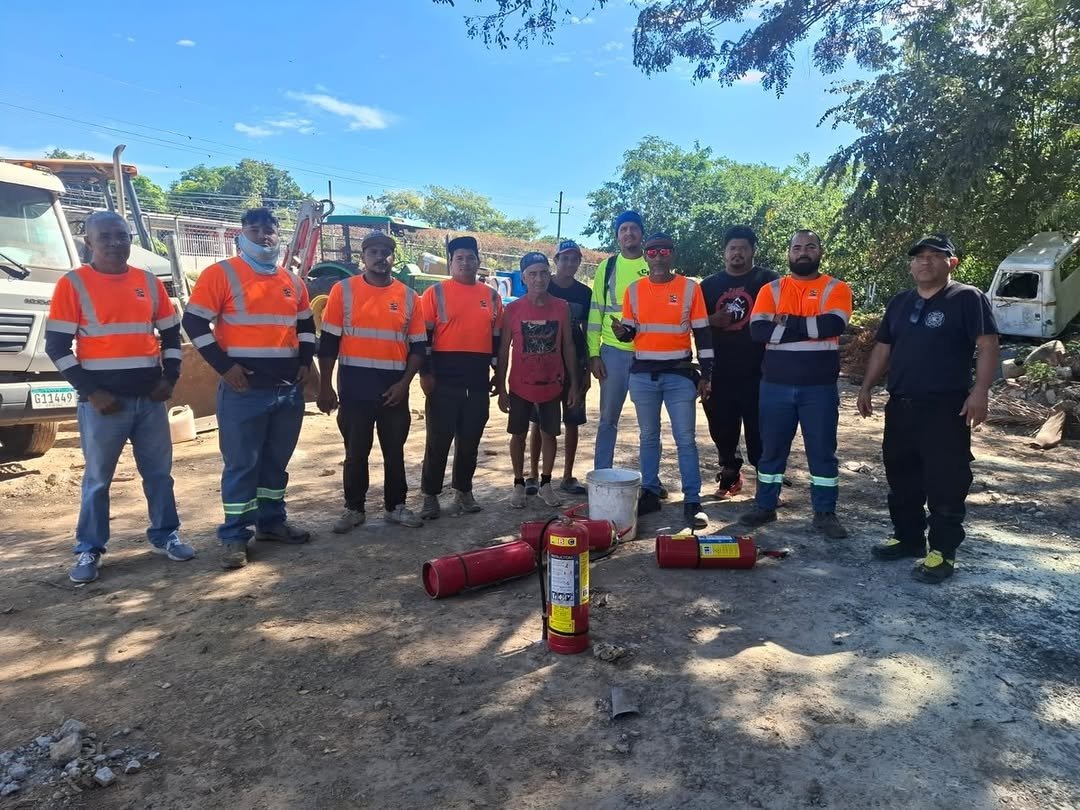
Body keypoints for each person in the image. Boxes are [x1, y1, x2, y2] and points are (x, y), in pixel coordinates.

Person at [45, 211, 194, 583]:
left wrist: (170, 377)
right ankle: (89, 549)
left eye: (121, 236)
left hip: (149, 400)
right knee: (97, 480)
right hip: (103, 404)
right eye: (106, 237)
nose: (115, 243)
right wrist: (91, 392)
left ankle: (166, 535)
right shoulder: (73, 284)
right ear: (89, 242)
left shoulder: (148, 282)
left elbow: (171, 337)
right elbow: (57, 346)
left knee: (159, 475)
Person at [857, 234, 999, 583]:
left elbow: (988, 345)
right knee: (901, 474)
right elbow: (883, 348)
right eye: (919, 257)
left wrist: (980, 392)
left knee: (945, 479)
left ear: (952, 263)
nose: (925, 262)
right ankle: (908, 538)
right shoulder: (900, 303)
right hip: (901, 405)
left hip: (945, 407)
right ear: (911, 265)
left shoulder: (967, 298)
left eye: (935, 256)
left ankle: (943, 551)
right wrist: (866, 385)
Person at [182, 207, 316, 569]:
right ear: (241, 235)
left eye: (270, 230)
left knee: (275, 464)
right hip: (244, 392)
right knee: (242, 465)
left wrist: (305, 363)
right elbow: (193, 322)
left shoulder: (292, 281)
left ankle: (272, 524)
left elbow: (305, 327)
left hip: (286, 391)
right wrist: (225, 368)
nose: (263, 236)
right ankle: (234, 536)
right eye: (255, 230)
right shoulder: (221, 275)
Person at [739, 230, 853, 539]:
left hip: (819, 387)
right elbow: (759, 332)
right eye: (797, 247)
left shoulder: (836, 288)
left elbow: (834, 324)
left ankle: (825, 513)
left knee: (823, 452)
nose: (803, 252)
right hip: (775, 385)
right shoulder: (771, 289)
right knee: (771, 451)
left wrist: (786, 321)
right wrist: (810, 327)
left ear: (820, 252)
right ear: (788, 252)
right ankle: (765, 505)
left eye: (810, 247)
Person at [316, 231, 427, 532]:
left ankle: (396, 506)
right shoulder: (343, 291)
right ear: (363, 257)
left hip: (394, 390)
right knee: (355, 452)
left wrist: (404, 384)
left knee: (395, 452)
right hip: (354, 389)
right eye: (374, 251)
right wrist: (324, 386)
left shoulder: (408, 297)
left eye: (386, 252)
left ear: (394, 257)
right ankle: (354, 508)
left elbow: (418, 348)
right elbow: (328, 343)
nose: (381, 257)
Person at [618, 233, 712, 529]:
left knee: (685, 439)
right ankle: (650, 491)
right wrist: (623, 332)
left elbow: (704, 335)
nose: (658, 256)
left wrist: (708, 375)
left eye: (664, 251)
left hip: (680, 375)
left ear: (672, 254)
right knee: (648, 437)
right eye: (652, 251)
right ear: (646, 256)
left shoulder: (689, 289)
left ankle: (692, 500)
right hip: (643, 376)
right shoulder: (633, 291)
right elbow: (631, 331)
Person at [418, 235, 504, 519]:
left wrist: (497, 373)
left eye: (470, 257)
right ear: (451, 262)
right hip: (444, 376)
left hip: (477, 378)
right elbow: (424, 337)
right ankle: (430, 495)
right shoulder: (436, 293)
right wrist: (426, 373)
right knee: (439, 439)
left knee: (470, 438)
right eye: (459, 258)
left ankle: (464, 490)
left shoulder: (491, 296)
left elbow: (496, 339)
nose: (465, 263)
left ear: (478, 261)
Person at [700, 226, 779, 498]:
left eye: (743, 248)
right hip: (719, 371)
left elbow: (783, 316)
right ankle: (730, 475)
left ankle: (767, 485)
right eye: (732, 248)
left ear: (752, 251)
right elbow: (693, 324)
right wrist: (711, 320)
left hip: (761, 372)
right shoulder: (708, 286)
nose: (737, 253)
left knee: (761, 431)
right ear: (724, 253)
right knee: (722, 429)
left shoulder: (768, 281)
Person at [496, 252, 579, 508]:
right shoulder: (512, 309)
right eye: (533, 274)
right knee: (518, 434)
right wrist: (500, 387)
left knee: (550, 434)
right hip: (521, 384)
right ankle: (519, 484)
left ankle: (546, 483)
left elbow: (568, 346)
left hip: (552, 383)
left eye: (543, 272)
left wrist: (574, 383)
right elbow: (503, 349)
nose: (539, 278)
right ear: (524, 278)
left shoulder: (561, 307)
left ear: (549, 274)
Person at [588, 211, 662, 491]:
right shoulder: (607, 268)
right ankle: (601, 479)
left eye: (633, 229)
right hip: (613, 354)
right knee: (607, 420)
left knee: (650, 426)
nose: (628, 233)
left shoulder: (655, 264)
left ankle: (651, 484)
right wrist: (594, 354)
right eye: (623, 229)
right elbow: (596, 312)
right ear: (617, 236)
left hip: (649, 355)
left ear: (641, 234)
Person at [525, 239, 592, 496]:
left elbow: (587, 333)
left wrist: (585, 371)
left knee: (572, 419)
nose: (569, 263)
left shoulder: (584, 294)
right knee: (537, 420)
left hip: (574, 365)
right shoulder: (543, 284)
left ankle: (567, 476)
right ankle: (533, 475)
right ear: (556, 261)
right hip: (543, 365)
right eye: (564, 258)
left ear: (578, 262)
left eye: (574, 259)